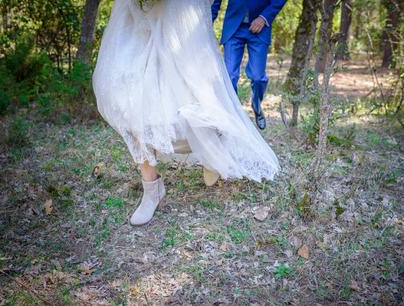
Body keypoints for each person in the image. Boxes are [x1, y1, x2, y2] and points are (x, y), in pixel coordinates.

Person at [92, 0, 281, 227]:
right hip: (135, 25)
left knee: (192, 105)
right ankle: (151, 189)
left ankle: (212, 147)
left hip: (176, 25)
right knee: (129, 106)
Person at [212, 0, 286, 130]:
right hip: (233, 26)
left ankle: (256, 104)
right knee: (229, 76)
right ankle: (232, 115)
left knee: (258, 77)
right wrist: (208, 22)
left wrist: (264, 18)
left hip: (260, 27)